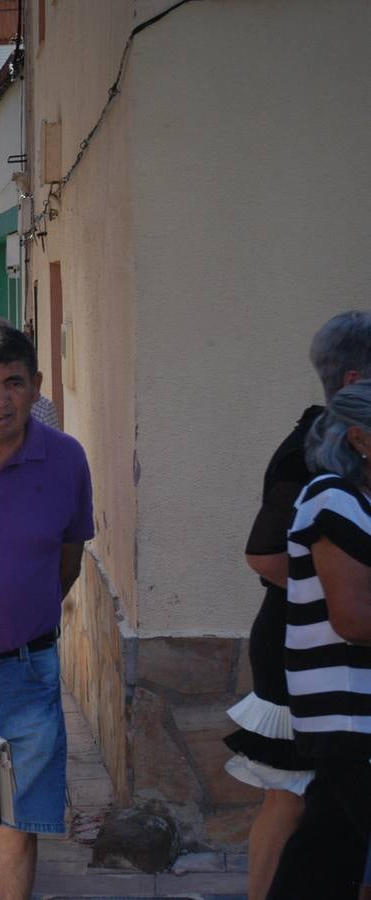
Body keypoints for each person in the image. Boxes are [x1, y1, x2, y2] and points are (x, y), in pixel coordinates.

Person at [225, 311, 371, 899]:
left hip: (340, 684)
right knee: (294, 801)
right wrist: (329, 582)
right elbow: (265, 554)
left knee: (325, 834)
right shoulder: (317, 470)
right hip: (325, 678)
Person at [0, 326, 94, 899]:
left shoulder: (66, 459)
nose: (0, 398)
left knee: (15, 824)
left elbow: (68, 561)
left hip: (26, 670)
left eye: (14, 382)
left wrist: (18, 615)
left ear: (36, 386)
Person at [266, 382, 371, 900]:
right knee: (326, 854)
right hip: (349, 716)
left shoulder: (359, 501)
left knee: (324, 856)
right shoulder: (333, 498)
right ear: (360, 438)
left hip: (352, 719)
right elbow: (352, 619)